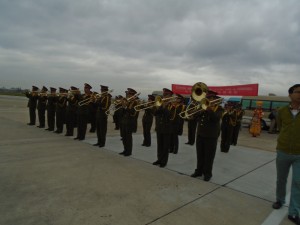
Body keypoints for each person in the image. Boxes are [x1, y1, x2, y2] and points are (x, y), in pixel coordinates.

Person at [272, 84, 300, 225]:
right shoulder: (282, 111)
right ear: (290, 95)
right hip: (282, 151)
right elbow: (279, 126)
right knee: (281, 179)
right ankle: (279, 200)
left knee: (298, 182)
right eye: (298, 92)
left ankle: (294, 212)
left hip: (299, 154)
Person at [191, 86, 223, 181]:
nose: (208, 99)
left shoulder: (219, 108)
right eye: (207, 98)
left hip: (211, 136)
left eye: (210, 98)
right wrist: (198, 110)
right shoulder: (202, 107)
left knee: (209, 156)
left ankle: (207, 173)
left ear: (215, 99)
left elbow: (216, 119)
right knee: (200, 154)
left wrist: (208, 109)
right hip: (200, 135)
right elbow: (194, 116)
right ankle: (198, 171)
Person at [152, 88, 175, 167]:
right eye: (164, 95)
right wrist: (161, 106)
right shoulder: (160, 104)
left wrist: (164, 108)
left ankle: (163, 162)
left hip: (167, 129)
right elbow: (155, 113)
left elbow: (171, 116)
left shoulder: (172, 106)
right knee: (159, 145)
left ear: (170, 96)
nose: (164, 97)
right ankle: (159, 159)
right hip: (159, 128)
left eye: (166, 95)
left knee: (165, 147)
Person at [119, 88, 139, 156]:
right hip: (124, 122)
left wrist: (126, 107)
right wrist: (123, 106)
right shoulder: (128, 102)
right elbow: (122, 113)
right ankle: (125, 150)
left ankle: (129, 151)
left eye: (129, 94)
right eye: (128, 94)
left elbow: (133, 114)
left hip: (130, 122)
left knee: (128, 138)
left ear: (133, 95)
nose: (128, 95)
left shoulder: (135, 103)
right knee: (124, 138)